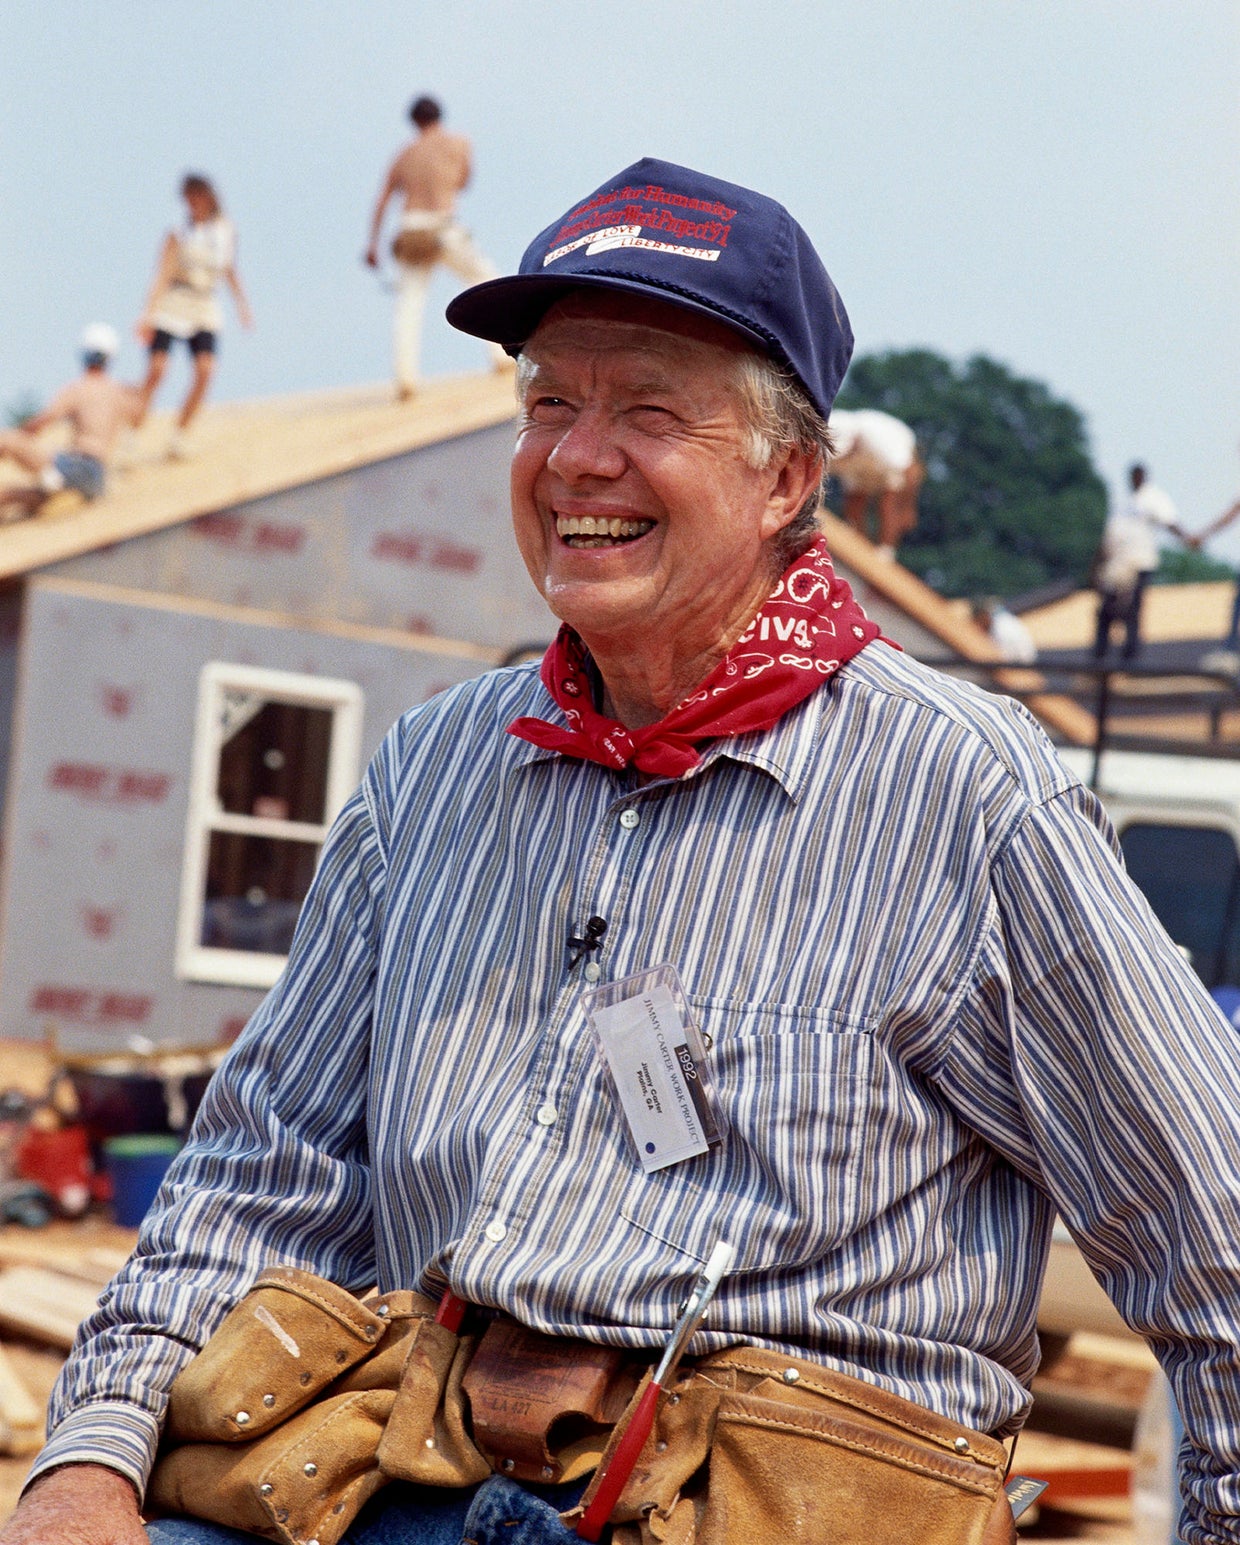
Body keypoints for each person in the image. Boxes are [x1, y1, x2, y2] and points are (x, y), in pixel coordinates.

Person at [9, 157, 1240, 1545]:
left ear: (787, 475)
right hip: (408, 1477)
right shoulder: (437, 772)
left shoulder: (962, 791)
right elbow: (258, 1175)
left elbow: (1221, 1243)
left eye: (647, 409)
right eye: (548, 404)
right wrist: (90, 1462)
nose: (578, 458)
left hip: (770, 1505)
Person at [364, 95, 509, 399]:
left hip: (410, 229)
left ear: (414, 121)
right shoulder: (458, 143)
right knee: (486, 282)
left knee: (409, 304)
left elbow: (382, 200)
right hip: (443, 226)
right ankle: (501, 354)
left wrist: (372, 244)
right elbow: (463, 182)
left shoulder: (404, 154)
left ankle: (406, 379)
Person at [136, 173, 253, 460]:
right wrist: (148, 314)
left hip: (204, 303)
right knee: (157, 370)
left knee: (205, 371)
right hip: (174, 301)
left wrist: (242, 305)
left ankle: (180, 434)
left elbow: (229, 269)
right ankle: (133, 429)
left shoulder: (226, 231)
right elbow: (162, 273)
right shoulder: (178, 231)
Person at [0, 324, 141, 520]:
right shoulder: (119, 391)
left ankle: (52, 479)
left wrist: (22, 434)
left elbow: (45, 419)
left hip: (75, 465)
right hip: (96, 480)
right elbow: (138, 413)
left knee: (7, 440)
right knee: (17, 494)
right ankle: (53, 484)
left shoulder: (79, 388)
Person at [1091, 463, 1191, 661]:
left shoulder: (1152, 498)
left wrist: (1187, 539)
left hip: (1139, 563)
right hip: (1117, 565)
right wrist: (1097, 565)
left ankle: (1130, 654)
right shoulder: (1124, 502)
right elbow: (1110, 535)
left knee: (1132, 610)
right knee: (1106, 610)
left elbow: (1169, 521)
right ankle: (1101, 653)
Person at [826, 406, 924, 558]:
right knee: (854, 501)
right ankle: (858, 543)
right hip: (859, 455)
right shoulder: (836, 427)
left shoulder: (886, 445)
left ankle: (886, 551)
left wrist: (908, 507)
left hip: (886, 458)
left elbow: (912, 472)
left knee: (888, 501)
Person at [971, 598, 1038, 664]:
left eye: (978, 620)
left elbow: (1002, 657)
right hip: (1023, 659)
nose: (978, 626)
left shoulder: (1001, 627)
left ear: (983, 615)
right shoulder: (1002, 620)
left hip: (1021, 663)